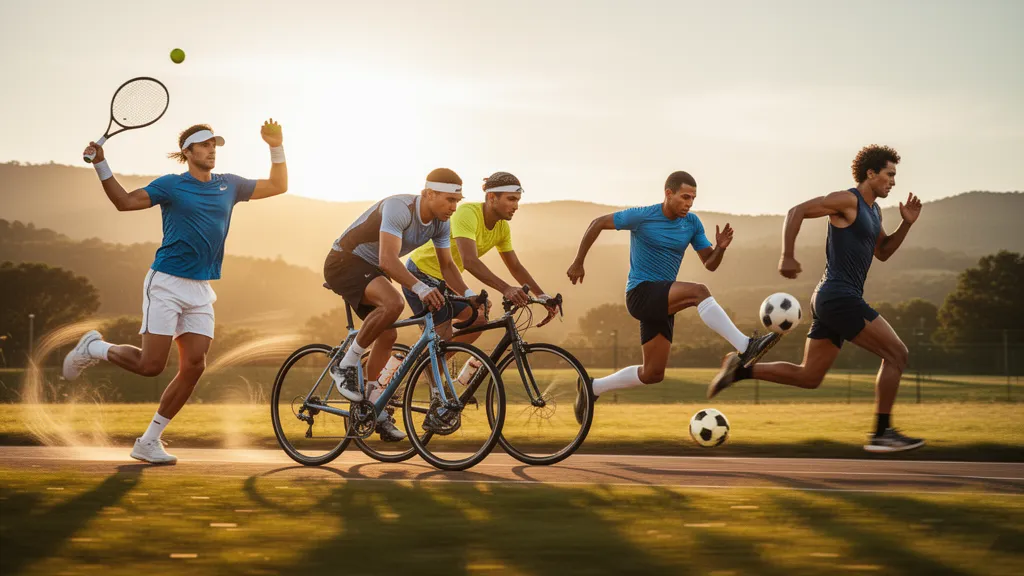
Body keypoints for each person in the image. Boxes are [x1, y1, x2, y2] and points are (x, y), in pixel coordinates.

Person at [63, 120, 289, 464]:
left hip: (201, 288)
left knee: (194, 366)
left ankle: (148, 441)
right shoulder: (171, 185)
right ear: (187, 152)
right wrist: (101, 163)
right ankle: (94, 346)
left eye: (215, 144)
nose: (212, 149)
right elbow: (124, 202)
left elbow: (278, 185)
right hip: (166, 282)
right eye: (204, 145)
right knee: (151, 365)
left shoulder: (230, 185)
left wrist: (276, 145)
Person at [708, 144, 925, 453]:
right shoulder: (847, 200)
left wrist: (907, 223)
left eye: (895, 176)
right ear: (871, 173)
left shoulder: (874, 212)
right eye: (889, 174)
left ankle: (740, 369)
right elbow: (796, 211)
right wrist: (787, 255)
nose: (893, 181)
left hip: (831, 299)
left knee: (809, 376)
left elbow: (884, 252)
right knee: (897, 354)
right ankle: (882, 433)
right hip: (839, 297)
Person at [567, 171, 779, 422]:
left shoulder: (691, 224)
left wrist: (720, 247)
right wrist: (579, 261)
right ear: (668, 194)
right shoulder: (643, 216)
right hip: (641, 293)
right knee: (699, 292)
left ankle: (592, 388)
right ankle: (745, 346)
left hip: (664, 301)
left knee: (653, 373)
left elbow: (710, 263)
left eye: (693, 198)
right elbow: (598, 223)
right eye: (685, 197)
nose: (689, 203)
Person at [323, 168, 481, 440]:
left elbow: (447, 266)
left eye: (458, 201)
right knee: (394, 303)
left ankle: (373, 406)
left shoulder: (441, 223)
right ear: (428, 194)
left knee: (388, 333)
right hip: (344, 261)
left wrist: (468, 295)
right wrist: (420, 287)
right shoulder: (400, 208)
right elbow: (387, 260)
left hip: (372, 269)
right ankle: (345, 365)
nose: (454, 207)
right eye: (449, 200)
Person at [403, 171, 559, 350]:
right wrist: (506, 288)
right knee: (443, 336)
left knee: (479, 319)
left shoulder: (502, 228)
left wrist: (541, 295)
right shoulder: (467, 213)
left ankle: (431, 368)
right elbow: (469, 260)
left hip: (447, 279)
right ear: (491, 197)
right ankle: (425, 367)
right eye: (511, 199)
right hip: (420, 272)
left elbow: (515, 266)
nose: (516, 205)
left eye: (517, 199)